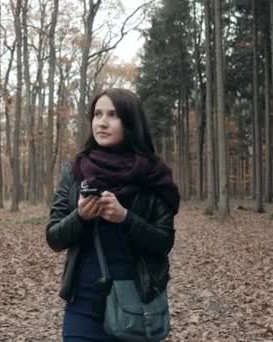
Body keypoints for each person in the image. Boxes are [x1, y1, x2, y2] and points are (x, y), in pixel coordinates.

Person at [46, 88, 180, 341]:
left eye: (112, 115)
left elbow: (164, 242)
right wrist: (80, 217)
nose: (102, 122)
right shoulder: (75, 170)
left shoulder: (154, 175)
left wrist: (126, 218)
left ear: (130, 123)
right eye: (97, 114)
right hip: (83, 305)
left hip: (136, 305)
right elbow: (54, 237)